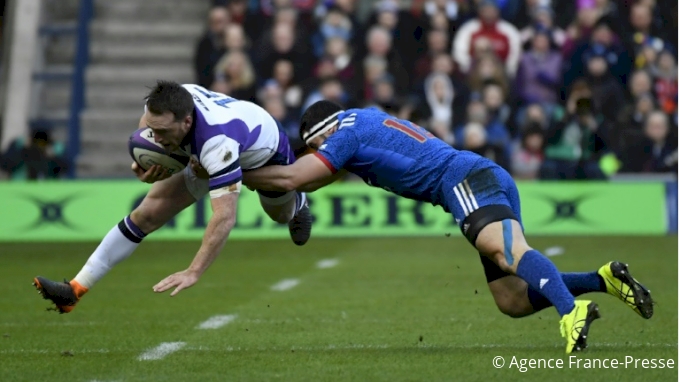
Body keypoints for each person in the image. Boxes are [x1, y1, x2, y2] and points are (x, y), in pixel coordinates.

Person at [242, 100, 654, 354]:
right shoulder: (362, 120)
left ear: (323, 134)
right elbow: (312, 177)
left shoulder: (343, 137)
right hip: (477, 176)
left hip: (461, 179)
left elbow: (296, 178)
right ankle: (603, 281)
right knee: (511, 300)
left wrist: (228, 175)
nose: (322, 154)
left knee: (507, 252)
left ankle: (571, 312)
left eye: (317, 147)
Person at [33, 81, 313, 313]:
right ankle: (74, 289)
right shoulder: (161, 107)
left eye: (162, 133)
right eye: (154, 130)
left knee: (280, 215)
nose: (156, 137)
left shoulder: (216, 143)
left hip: (266, 154)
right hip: (204, 154)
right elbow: (145, 131)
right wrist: (144, 165)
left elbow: (224, 217)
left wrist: (193, 271)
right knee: (146, 215)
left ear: (186, 121)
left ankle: (298, 203)